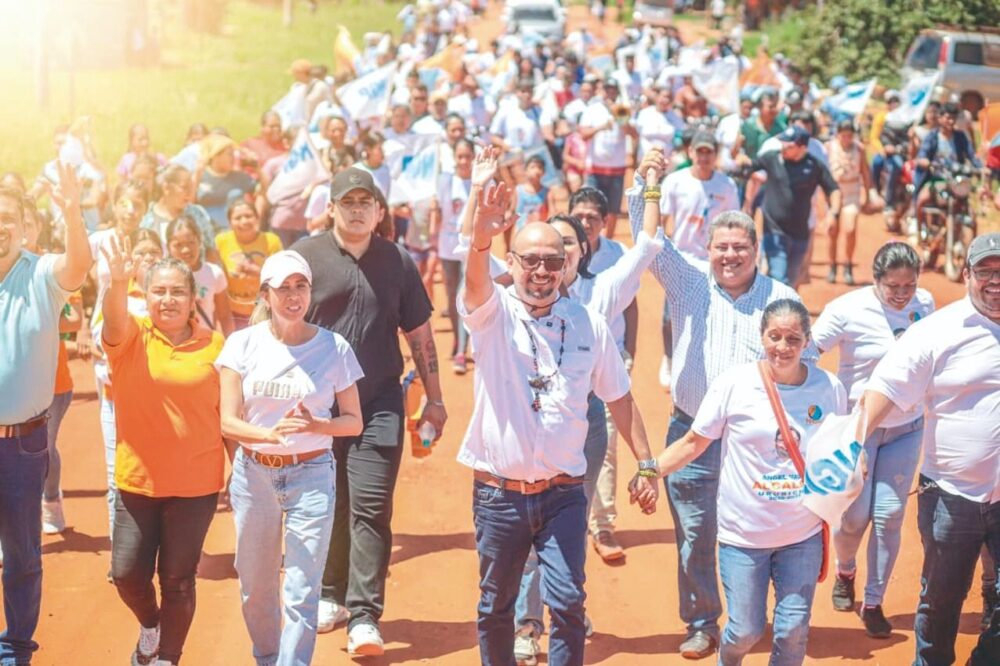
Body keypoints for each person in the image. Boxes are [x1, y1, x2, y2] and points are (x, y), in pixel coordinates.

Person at [460, 147, 660, 666]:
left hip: (564, 493)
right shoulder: (493, 316)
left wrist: (646, 463)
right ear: (512, 264)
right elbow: (475, 278)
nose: (542, 270)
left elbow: (619, 397)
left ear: (567, 265)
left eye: (553, 260)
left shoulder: (588, 323)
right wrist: (481, 231)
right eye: (530, 260)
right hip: (499, 495)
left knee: (569, 602)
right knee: (495, 605)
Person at [627, 146, 810, 660]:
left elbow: (806, 363)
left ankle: (755, 615)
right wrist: (646, 180)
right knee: (695, 533)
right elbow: (647, 236)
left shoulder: (781, 297)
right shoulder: (687, 279)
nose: (730, 256)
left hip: (760, 442)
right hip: (692, 434)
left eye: (740, 248)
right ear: (706, 249)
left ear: (756, 250)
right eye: (722, 247)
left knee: (767, 528)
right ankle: (703, 622)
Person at [636, 299, 847, 666]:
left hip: (802, 533)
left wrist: (852, 470)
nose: (782, 347)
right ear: (762, 336)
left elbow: (841, 447)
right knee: (746, 629)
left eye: (793, 339)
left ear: (807, 341)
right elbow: (693, 442)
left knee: (793, 629)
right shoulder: (734, 384)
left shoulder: (828, 387)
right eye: (774, 336)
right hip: (744, 536)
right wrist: (650, 471)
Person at [292, 167, 447, 656]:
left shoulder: (398, 261)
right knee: (328, 502)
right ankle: (330, 594)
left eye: (365, 202)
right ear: (331, 208)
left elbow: (419, 334)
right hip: (318, 406)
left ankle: (364, 615)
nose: (357, 210)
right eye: (348, 202)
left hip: (379, 403)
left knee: (371, 506)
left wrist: (435, 398)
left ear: (379, 211)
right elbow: (275, 322)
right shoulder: (305, 257)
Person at [217, 250, 365, 666]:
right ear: (266, 294)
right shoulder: (241, 344)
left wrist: (318, 425)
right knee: (256, 586)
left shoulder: (334, 347)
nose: (293, 295)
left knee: (302, 589)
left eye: (301, 286)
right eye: (283, 288)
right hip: (254, 475)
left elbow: (354, 422)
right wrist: (268, 435)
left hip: (312, 474)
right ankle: (267, 657)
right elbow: (227, 421)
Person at [860, 232, 1000, 666]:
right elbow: (885, 387)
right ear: (967, 274)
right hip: (951, 497)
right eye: (986, 271)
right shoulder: (937, 331)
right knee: (941, 603)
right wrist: (853, 444)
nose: (995, 281)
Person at [100, 236, 225, 666]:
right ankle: (151, 625)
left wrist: (241, 473)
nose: (168, 299)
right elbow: (113, 319)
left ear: (193, 299)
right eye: (159, 291)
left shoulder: (216, 347)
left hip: (196, 486)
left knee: (178, 580)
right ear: (146, 295)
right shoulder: (131, 337)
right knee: (126, 574)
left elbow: (228, 413)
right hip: (138, 481)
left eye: (177, 291)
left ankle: (168, 657)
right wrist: (118, 283)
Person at [811, 242, 934, 638]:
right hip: (858, 429)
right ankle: (845, 572)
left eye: (909, 285)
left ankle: (874, 601)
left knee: (889, 514)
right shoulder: (847, 309)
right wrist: (823, 404)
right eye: (893, 286)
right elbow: (808, 352)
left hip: (907, 427)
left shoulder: (926, 304)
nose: (902, 294)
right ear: (875, 279)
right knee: (854, 517)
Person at [0, 168, 90, 665]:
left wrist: (73, 212)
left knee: (22, 554)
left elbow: (78, 266)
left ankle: (16, 647)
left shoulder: (41, 274)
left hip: (23, 443)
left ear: (25, 227)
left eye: (7, 219)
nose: (0, 227)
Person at [653, 130, 739, 390]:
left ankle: (706, 365)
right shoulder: (675, 182)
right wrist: (663, 252)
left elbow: (733, 222)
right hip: (682, 259)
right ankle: (669, 358)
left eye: (708, 152)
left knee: (714, 316)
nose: (703, 157)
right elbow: (661, 220)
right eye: (699, 152)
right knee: (670, 316)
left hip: (715, 262)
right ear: (690, 152)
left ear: (715, 155)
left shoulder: (727, 185)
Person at [739, 125, 841, 287]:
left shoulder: (814, 166)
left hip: (800, 235)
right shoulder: (772, 158)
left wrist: (833, 213)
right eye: (783, 142)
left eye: (789, 145)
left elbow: (833, 189)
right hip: (774, 232)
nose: (784, 147)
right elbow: (750, 166)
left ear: (802, 147)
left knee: (791, 283)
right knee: (780, 278)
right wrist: (740, 157)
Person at [579, 77, 636, 239]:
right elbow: (583, 134)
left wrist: (621, 118)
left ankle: (608, 240)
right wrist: (600, 128)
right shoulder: (592, 110)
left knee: (613, 210)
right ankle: (591, 239)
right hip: (595, 168)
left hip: (617, 168)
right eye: (607, 90)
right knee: (591, 206)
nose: (610, 93)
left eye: (613, 90)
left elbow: (633, 134)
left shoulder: (622, 110)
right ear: (602, 91)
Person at [436, 138, 475, 374]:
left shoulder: (480, 182)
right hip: (447, 244)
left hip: (470, 248)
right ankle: (457, 337)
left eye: (467, 156)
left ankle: (462, 349)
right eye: (459, 156)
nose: (463, 161)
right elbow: (436, 208)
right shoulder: (444, 181)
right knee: (451, 295)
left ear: (473, 157)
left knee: (464, 294)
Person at [215, 200, 283, 330]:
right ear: (229, 222)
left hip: (265, 310)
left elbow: (281, 275)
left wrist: (258, 272)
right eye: (238, 218)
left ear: (257, 218)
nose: (244, 221)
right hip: (232, 313)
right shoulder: (221, 241)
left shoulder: (271, 241)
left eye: (248, 216)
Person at [166, 215, 234, 336]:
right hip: (172, 343)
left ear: (200, 241)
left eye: (191, 242)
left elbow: (224, 316)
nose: (186, 250)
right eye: (178, 245)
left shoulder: (214, 273)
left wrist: (231, 343)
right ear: (168, 247)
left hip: (205, 342)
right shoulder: (162, 276)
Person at [141, 164, 219, 263]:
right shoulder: (147, 220)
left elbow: (211, 252)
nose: (190, 192)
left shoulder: (197, 213)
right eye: (184, 187)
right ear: (166, 188)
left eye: (192, 187)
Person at [825, 119, 871, 285]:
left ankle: (848, 265)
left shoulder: (859, 149)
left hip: (852, 191)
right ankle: (832, 265)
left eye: (849, 136)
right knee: (833, 231)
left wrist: (867, 194)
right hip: (833, 192)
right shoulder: (829, 147)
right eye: (843, 135)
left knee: (850, 229)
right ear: (838, 135)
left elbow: (865, 172)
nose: (846, 139)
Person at [195, 134, 259, 231]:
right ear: (215, 156)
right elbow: (189, 202)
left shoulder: (239, 177)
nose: (233, 158)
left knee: (235, 194)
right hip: (207, 229)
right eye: (229, 154)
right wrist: (196, 175)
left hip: (234, 231)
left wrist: (257, 167)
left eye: (233, 154)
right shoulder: (201, 176)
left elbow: (263, 193)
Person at [512, 155, 554, 230]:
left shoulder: (547, 192)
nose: (536, 170)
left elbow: (552, 211)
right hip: (521, 230)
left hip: (540, 230)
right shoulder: (518, 190)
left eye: (540, 168)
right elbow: (512, 210)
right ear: (525, 171)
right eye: (533, 167)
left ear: (543, 172)